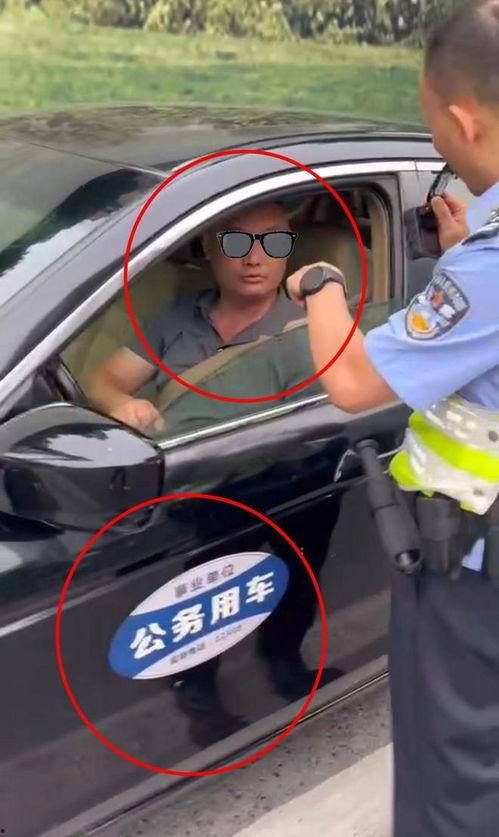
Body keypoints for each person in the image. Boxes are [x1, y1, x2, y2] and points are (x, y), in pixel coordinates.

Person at [284, 2, 499, 834]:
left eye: (428, 117)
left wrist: (323, 284)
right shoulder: (481, 260)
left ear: (461, 120)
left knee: (453, 780)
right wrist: (463, 257)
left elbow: (347, 380)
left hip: (472, 573)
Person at [87, 201, 303, 433]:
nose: (254, 259)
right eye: (235, 241)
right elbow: (105, 380)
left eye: (274, 242)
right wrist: (123, 405)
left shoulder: (305, 332)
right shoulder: (180, 313)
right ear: (208, 246)